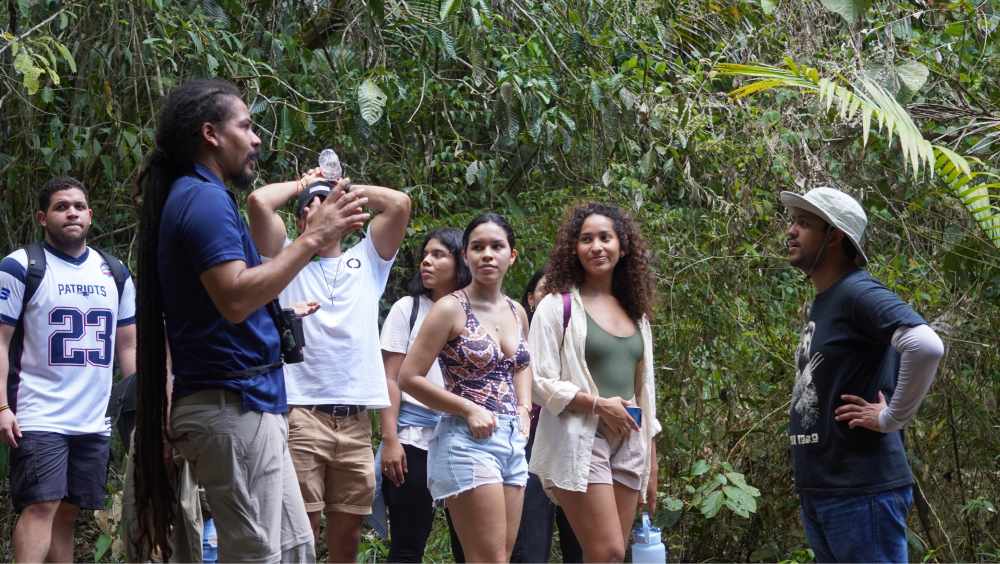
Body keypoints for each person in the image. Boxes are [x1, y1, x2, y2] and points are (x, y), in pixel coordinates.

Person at [131, 78, 368, 562]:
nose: (256, 138)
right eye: (246, 125)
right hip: (231, 404)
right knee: (258, 555)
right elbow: (234, 299)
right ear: (210, 134)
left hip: (250, 403)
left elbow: (236, 298)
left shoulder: (207, 196)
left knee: (296, 550)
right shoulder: (202, 198)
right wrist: (311, 238)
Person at [247, 169, 410, 562]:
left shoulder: (367, 261)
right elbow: (258, 202)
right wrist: (305, 186)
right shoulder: (286, 259)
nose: (325, 209)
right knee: (299, 532)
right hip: (301, 414)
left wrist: (345, 192)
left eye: (333, 203)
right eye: (312, 206)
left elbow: (400, 203)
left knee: (348, 538)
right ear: (300, 220)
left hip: (356, 421)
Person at [781, 187, 944, 563]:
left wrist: (891, 418)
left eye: (804, 223)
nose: (791, 231)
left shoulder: (857, 291)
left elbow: (926, 344)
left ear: (834, 236)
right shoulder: (829, 299)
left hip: (860, 489)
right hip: (824, 489)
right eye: (793, 221)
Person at [0, 176, 137, 563]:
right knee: (41, 505)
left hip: (93, 418)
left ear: (90, 215)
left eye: (78, 206)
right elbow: (1, 340)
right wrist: (1, 407)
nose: (71, 212)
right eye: (61, 207)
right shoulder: (21, 266)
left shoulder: (115, 272)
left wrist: (137, 409)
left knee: (70, 511)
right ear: (43, 218)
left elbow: (128, 344)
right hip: (38, 412)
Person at [529, 202, 661, 564]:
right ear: (574, 248)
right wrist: (598, 404)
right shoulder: (557, 307)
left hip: (630, 442)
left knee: (610, 558)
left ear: (623, 246)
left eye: (606, 237)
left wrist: (652, 459)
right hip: (579, 439)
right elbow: (539, 381)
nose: (596, 247)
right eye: (586, 239)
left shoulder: (636, 314)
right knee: (608, 552)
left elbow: (644, 394)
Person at [398, 213, 533, 563]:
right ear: (466, 257)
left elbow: (521, 364)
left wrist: (524, 407)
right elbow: (408, 377)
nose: (487, 254)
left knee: (503, 557)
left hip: (511, 440)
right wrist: (467, 408)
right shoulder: (449, 308)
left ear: (511, 255)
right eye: (478, 247)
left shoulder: (518, 311)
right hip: (465, 440)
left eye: (497, 246)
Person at [377, 227, 471, 563]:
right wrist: (390, 439)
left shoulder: (478, 313)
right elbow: (391, 379)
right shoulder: (408, 309)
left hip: (467, 439)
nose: (426, 262)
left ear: (461, 260)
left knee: (472, 548)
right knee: (406, 545)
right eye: (425, 255)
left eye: (438, 255)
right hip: (414, 439)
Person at [511, 266, 584, 564]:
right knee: (532, 542)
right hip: (529, 444)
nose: (555, 297)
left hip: (571, 442)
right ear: (530, 298)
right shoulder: (514, 338)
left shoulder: (578, 338)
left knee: (579, 543)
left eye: (562, 291)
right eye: (546, 290)